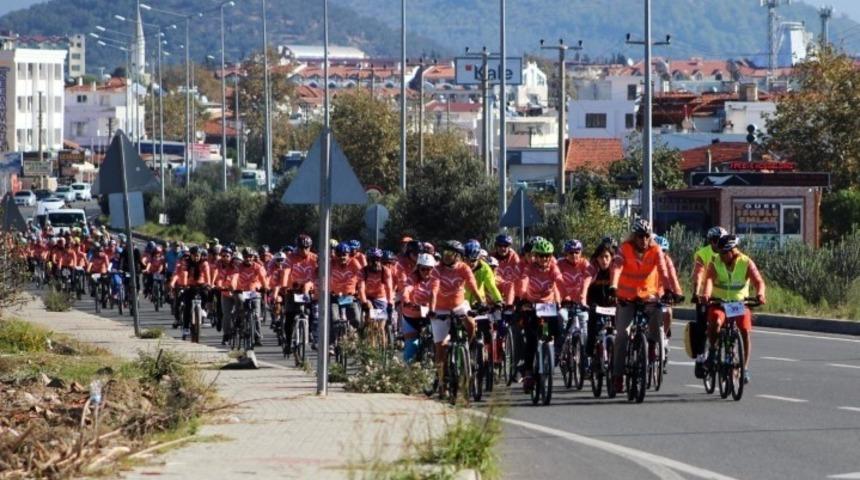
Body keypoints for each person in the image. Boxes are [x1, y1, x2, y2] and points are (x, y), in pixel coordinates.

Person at [609, 219, 679, 393]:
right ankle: (618, 376)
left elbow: (663, 271)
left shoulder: (655, 250)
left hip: (648, 295)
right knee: (622, 335)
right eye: (640, 236)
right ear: (634, 237)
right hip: (626, 297)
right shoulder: (624, 249)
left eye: (647, 236)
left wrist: (670, 290)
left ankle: (652, 346)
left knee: (657, 314)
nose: (644, 240)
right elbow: (617, 267)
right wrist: (613, 286)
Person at [700, 235, 766, 384]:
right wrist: (706, 294)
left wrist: (760, 294)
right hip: (719, 302)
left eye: (723, 253)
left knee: (744, 329)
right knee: (716, 322)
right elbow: (709, 280)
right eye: (719, 252)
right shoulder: (715, 262)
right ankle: (712, 351)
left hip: (739, 304)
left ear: (732, 252)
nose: (720, 256)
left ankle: (744, 368)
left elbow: (759, 281)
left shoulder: (746, 262)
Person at [433, 240, 484, 398]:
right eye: (445, 253)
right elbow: (433, 290)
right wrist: (431, 310)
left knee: (470, 322)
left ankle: (469, 348)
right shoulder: (437, 269)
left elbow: (472, 285)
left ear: (458, 256)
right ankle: (442, 383)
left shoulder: (464, 268)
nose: (445, 256)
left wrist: (481, 303)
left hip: (459, 305)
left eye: (450, 254)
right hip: (440, 309)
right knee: (440, 347)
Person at [513, 238, 563, 391]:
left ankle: (553, 354)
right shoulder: (530, 268)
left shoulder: (553, 267)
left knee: (559, 326)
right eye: (541, 256)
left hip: (548, 306)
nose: (544, 259)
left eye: (547, 256)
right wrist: (521, 297)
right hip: (532, 306)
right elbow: (523, 280)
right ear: (535, 256)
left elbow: (560, 280)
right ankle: (528, 373)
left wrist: (566, 297)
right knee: (531, 340)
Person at [690, 226, 727, 378]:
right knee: (701, 326)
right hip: (706, 295)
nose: (717, 243)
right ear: (710, 241)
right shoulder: (703, 253)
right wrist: (696, 292)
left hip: (725, 294)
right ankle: (700, 358)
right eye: (714, 240)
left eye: (720, 240)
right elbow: (698, 274)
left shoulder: (728, 252)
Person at [557, 239, 593, 362]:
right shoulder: (559, 264)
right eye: (571, 252)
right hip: (565, 303)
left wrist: (583, 299)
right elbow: (555, 282)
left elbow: (589, 278)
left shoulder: (584, 263)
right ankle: (560, 345)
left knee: (585, 329)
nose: (574, 255)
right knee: (562, 317)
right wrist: (560, 299)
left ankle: (585, 360)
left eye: (577, 252)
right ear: (566, 253)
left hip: (580, 304)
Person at [401, 253, 439, 363]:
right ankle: (408, 374)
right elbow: (407, 289)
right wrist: (406, 300)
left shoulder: (436, 279)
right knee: (411, 346)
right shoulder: (412, 278)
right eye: (423, 269)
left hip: (430, 313)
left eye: (429, 269)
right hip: (412, 316)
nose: (427, 272)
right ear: (418, 268)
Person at [169, 246, 211, 339]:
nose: (196, 257)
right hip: (189, 285)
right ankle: (186, 327)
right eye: (194, 255)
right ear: (190, 255)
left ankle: (203, 308)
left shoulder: (204, 263)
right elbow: (184, 273)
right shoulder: (186, 262)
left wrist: (208, 284)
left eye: (198, 256)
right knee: (187, 306)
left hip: (201, 284)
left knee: (206, 293)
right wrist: (184, 285)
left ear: (201, 255)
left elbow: (207, 275)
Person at [585, 240, 618, 360]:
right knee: (592, 329)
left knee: (619, 331)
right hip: (596, 304)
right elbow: (586, 285)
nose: (604, 260)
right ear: (597, 258)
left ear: (611, 257)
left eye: (606, 257)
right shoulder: (593, 269)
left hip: (612, 306)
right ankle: (589, 357)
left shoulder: (615, 270)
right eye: (601, 257)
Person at [230, 248, 269, 347]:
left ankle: (258, 337)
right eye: (246, 257)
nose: (248, 259)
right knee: (240, 304)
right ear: (243, 257)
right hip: (241, 291)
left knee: (256, 315)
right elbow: (234, 278)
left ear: (253, 257)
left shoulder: (258, 267)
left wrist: (265, 288)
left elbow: (263, 279)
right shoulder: (238, 267)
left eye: (250, 257)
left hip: (254, 292)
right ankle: (238, 322)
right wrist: (233, 287)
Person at [359, 248, 394, 348]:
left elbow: (389, 288)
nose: (375, 262)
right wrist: (364, 302)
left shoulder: (385, 271)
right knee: (371, 317)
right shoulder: (363, 271)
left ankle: (383, 349)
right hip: (368, 297)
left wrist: (390, 302)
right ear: (368, 260)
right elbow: (361, 288)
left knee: (381, 327)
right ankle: (370, 342)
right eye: (372, 259)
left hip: (381, 297)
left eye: (378, 259)